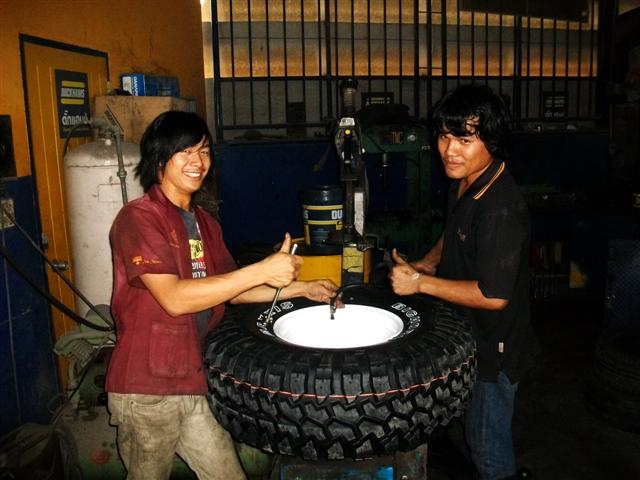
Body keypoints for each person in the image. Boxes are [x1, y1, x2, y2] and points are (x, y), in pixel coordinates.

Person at [105, 110, 338, 480]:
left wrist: (302, 289)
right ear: (160, 159)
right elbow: (175, 299)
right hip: (145, 389)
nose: (198, 162)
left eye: (204, 151)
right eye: (185, 152)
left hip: (190, 380)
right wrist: (261, 270)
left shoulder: (205, 223)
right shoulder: (139, 218)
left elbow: (233, 290)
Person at [389, 85, 537, 480]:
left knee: (487, 448)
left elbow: (493, 296)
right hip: (469, 336)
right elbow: (454, 230)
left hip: (494, 350)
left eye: (465, 140)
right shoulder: (466, 180)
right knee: (469, 429)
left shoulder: (500, 209)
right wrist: (427, 263)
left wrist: (419, 283)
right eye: (444, 136)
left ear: (492, 140)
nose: (449, 150)